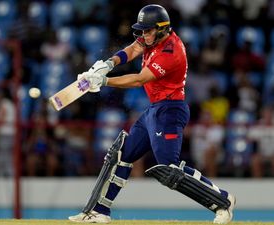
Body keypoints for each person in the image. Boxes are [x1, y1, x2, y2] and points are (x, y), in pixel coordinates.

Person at [69, 4, 236, 224]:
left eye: (147, 30)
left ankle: (223, 201)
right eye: (142, 30)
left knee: (169, 170)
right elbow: (132, 49)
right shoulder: (152, 38)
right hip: (154, 110)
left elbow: (140, 79)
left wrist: (104, 81)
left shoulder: (171, 51)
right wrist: (109, 64)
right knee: (120, 156)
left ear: (162, 28)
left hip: (170, 111)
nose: (143, 35)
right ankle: (98, 211)